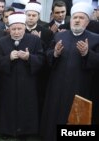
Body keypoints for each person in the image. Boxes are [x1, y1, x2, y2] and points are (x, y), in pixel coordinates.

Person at [40, 2, 99, 141]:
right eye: (74, 17)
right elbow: (47, 57)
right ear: (70, 19)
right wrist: (54, 53)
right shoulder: (59, 36)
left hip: (80, 86)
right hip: (57, 85)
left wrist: (87, 54)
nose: (77, 20)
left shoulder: (96, 39)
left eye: (81, 18)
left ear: (87, 21)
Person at [0, 12, 44, 140]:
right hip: (8, 82)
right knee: (7, 106)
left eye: (19, 29)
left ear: (24, 27)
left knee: (26, 105)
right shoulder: (1, 42)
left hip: (28, 82)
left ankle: (25, 131)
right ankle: (6, 130)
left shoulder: (35, 40)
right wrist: (8, 58)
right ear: (9, 28)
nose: (16, 32)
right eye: (13, 29)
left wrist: (29, 57)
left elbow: (42, 59)